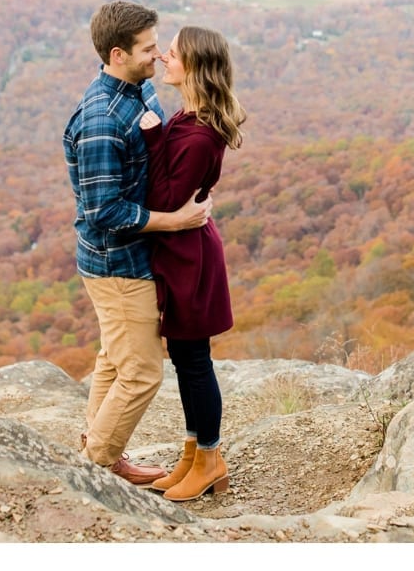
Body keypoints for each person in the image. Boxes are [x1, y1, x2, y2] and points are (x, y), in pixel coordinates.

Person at [63, 0, 213, 486]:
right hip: (116, 263)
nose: (158, 56)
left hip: (136, 256)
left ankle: (104, 450)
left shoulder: (138, 90)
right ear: (117, 54)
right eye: (149, 49)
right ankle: (94, 469)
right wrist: (175, 221)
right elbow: (103, 212)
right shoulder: (101, 120)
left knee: (114, 358)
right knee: (143, 372)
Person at [137, 25, 246, 501]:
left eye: (174, 54)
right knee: (185, 359)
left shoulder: (196, 134)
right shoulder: (192, 118)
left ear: (196, 67)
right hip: (183, 250)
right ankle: (192, 455)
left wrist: (154, 139)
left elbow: (164, 197)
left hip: (190, 257)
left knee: (195, 361)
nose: (164, 57)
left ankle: (210, 458)